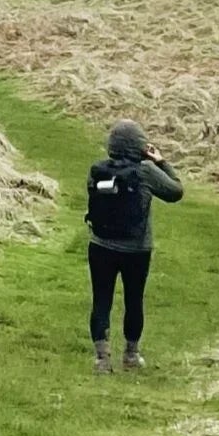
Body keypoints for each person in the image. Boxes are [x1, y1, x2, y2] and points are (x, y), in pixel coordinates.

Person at [86, 119, 182, 373]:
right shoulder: (146, 172)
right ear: (140, 146)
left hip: (100, 244)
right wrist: (160, 161)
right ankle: (131, 355)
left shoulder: (97, 170)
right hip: (137, 249)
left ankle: (102, 359)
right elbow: (175, 191)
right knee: (134, 300)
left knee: (101, 300)